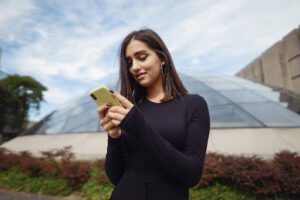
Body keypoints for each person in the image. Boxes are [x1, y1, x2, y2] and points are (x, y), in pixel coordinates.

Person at [98, 28, 210, 200]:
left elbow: (192, 175)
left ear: (162, 58)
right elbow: (115, 177)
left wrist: (138, 125)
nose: (134, 67)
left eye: (142, 57)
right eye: (129, 62)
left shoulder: (194, 104)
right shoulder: (131, 110)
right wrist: (114, 137)